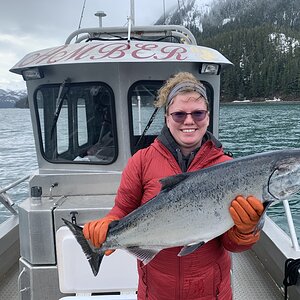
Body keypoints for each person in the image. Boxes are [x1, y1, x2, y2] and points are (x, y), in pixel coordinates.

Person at [83, 72, 264, 300]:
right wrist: (109, 225)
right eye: (179, 115)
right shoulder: (141, 161)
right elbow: (122, 209)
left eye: (198, 113)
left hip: (211, 292)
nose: (189, 121)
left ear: (208, 117)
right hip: (156, 291)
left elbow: (232, 244)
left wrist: (246, 230)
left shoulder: (228, 168)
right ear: (167, 117)